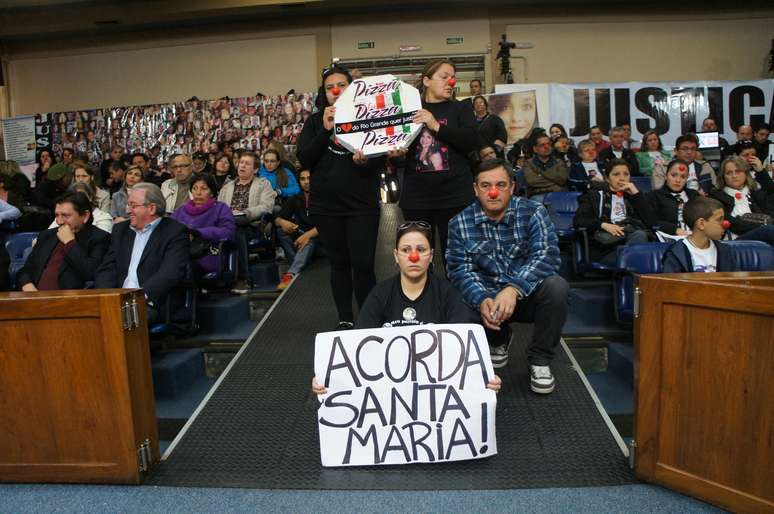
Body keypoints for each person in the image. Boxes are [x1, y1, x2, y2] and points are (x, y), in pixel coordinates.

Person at [312, 220, 502, 395]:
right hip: (389, 389)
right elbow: (358, 348)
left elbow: (463, 350)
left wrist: (483, 378)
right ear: (396, 255)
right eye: (405, 250)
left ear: (431, 256)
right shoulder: (379, 294)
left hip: (436, 388)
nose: (413, 256)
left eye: (421, 249)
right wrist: (332, 380)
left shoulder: (448, 294)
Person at [447, 159, 568, 394]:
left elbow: (547, 256)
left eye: (501, 185)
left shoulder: (534, 212)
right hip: (488, 301)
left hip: (525, 296)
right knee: (455, 299)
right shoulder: (458, 222)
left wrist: (514, 288)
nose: (493, 192)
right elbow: (459, 269)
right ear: (475, 189)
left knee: (557, 287)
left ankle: (540, 359)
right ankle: (497, 339)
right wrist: (481, 299)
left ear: (512, 187)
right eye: (485, 185)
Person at [297, 62, 384, 328]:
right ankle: (345, 318)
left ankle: (369, 320)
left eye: (341, 85)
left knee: (363, 263)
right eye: (330, 87)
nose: (335, 90)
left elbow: (380, 161)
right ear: (324, 92)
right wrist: (325, 130)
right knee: (339, 263)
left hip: (362, 205)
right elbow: (305, 159)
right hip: (327, 207)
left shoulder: (368, 119)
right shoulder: (314, 122)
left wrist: (365, 161)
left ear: (351, 88)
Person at [400, 59, 477, 261]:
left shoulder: (461, 108)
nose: (451, 82)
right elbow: (400, 156)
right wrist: (395, 156)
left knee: (456, 260)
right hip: (417, 199)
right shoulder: (409, 110)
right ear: (426, 81)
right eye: (444, 77)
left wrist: (436, 126)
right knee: (419, 261)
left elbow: (470, 141)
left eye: (453, 78)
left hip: (456, 198)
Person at [95, 183, 190, 324]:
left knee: (119, 319)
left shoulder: (174, 232)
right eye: (128, 205)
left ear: (151, 208)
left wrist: (138, 297)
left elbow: (170, 272)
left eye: (133, 205)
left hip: (151, 302)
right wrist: (107, 297)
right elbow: (107, 268)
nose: (127, 210)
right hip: (117, 300)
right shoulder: (120, 231)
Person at [18, 192, 110, 291]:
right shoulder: (47, 235)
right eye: (57, 215)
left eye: (65, 215)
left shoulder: (100, 238)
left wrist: (70, 243)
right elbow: (26, 270)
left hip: (70, 301)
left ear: (85, 216)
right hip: (33, 298)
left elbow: (91, 274)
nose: (59, 221)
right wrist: (27, 285)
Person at [573, 159, 652, 264]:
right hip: (606, 250)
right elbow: (578, 221)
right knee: (640, 245)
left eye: (626, 174)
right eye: (616, 174)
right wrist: (603, 225)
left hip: (631, 240)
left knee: (640, 237)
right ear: (607, 178)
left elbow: (652, 223)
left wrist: (637, 195)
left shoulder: (633, 196)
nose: (622, 178)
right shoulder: (594, 195)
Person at [218, 151, 276, 294]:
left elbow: (266, 207)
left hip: (252, 225)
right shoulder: (227, 187)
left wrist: (246, 213)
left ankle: (244, 279)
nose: (242, 165)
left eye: (247, 163)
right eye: (241, 162)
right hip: (228, 223)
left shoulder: (263, 184)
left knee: (237, 231)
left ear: (255, 169)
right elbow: (218, 207)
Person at [171, 173, 235, 275]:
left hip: (207, 255)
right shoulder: (181, 210)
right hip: (179, 254)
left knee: (181, 267)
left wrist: (198, 233)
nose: (198, 193)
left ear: (212, 193)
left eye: (204, 189)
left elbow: (228, 232)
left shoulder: (220, 208)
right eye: (195, 188)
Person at [708, 155, 774, 244]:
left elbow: (771, 197)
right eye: (729, 173)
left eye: (738, 171)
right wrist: (761, 227)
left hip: (763, 236)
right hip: (733, 240)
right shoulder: (716, 196)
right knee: (768, 230)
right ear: (723, 177)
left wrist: (761, 171)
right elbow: (731, 223)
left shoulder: (756, 193)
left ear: (746, 173)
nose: (734, 176)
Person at [662, 197, 735, 273]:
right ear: (701, 223)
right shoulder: (676, 253)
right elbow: (671, 283)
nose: (725, 224)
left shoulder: (725, 251)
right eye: (719, 219)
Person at [274, 169, 318, 290]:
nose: (306, 182)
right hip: (300, 233)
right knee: (281, 231)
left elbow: (328, 225)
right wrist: (282, 222)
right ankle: (298, 263)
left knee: (309, 240)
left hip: (319, 236)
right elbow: (278, 217)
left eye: (309, 178)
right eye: (303, 179)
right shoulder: (295, 198)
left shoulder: (323, 197)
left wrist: (307, 235)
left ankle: (291, 273)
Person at [647, 159, 700, 237]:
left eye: (683, 177)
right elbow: (652, 224)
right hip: (668, 239)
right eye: (674, 175)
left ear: (687, 179)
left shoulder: (694, 195)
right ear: (666, 176)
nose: (678, 180)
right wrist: (674, 230)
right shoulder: (653, 196)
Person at [521, 132, 568, 201]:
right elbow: (532, 181)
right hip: (538, 195)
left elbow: (562, 180)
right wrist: (555, 183)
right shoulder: (528, 163)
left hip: (558, 194)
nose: (546, 147)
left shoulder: (559, 162)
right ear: (535, 149)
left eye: (548, 144)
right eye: (542, 145)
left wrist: (541, 173)